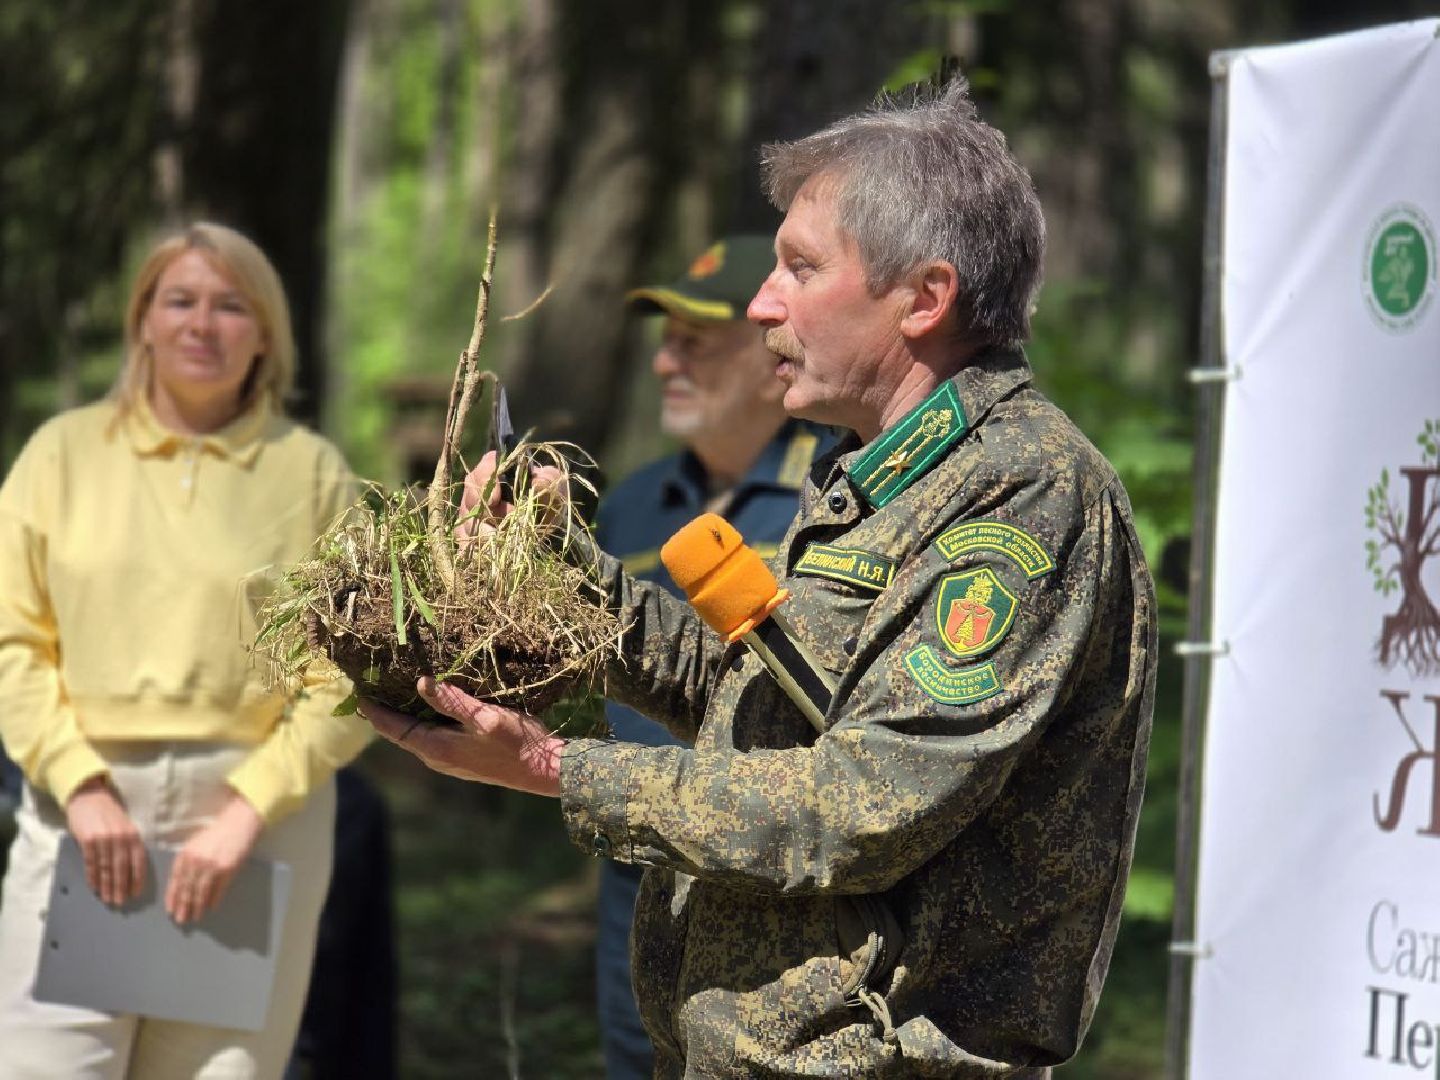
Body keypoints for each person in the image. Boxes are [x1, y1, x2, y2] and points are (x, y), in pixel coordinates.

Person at [363, 77, 1157, 1077]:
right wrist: (561, 571)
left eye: (801, 267)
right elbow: (759, 700)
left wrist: (561, 769)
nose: (760, 302)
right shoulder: (879, 473)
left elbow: (866, 802)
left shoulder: (1024, 495)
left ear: (925, 298)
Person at [0, 221, 372, 1078]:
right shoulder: (60, 455)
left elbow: (351, 676)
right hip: (81, 814)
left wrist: (246, 811)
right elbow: (13, 641)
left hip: (256, 827)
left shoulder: (314, 473)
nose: (203, 324)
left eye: (231, 306)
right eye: (180, 301)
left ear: (266, 334)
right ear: (143, 321)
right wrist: (80, 787)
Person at [595, 234, 833, 1078]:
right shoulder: (630, 505)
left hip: (774, 889)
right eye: (666, 342)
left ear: (772, 353)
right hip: (635, 869)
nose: (667, 363)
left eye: (695, 342)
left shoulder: (833, 495)